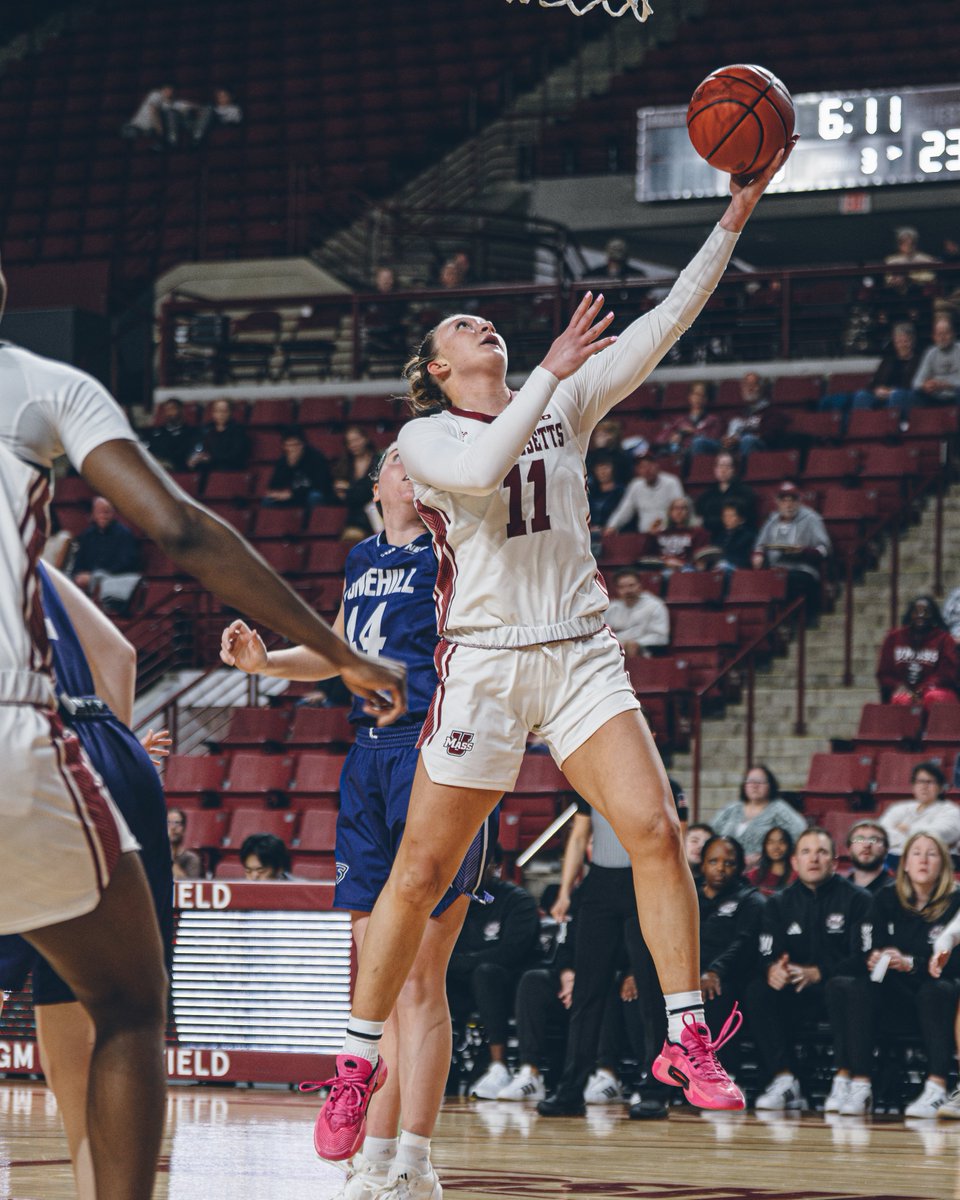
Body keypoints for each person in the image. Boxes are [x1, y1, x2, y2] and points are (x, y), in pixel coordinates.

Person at [312, 149, 795, 1160]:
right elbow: (488, 468)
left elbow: (666, 323)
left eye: (487, 323)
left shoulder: (565, 400)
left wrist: (735, 217)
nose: (482, 325)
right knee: (421, 870)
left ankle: (685, 1037)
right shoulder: (428, 437)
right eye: (461, 328)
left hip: (578, 652)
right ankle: (358, 1061)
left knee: (657, 829)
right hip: (482, 663)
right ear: (443, 367)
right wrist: (549, 371)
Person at [0, 261, 404, 1200]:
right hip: (14, 734)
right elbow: (180, 532)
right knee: (130, 1004)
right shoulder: (45, 386)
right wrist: (336, 652)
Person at [221, 442, 488, 1200]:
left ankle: (414, 1159)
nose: (415, 466)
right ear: (377, 484)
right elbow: (336, 652)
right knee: (372, 975)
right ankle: (374, 1159)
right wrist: (265, 663)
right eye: (401, 459)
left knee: (420, 980)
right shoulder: (359, 558)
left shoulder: (457, 546)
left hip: (436, 753)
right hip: (367, 758)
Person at [0, 561, 173, 1200]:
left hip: (26, 750)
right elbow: (119, 654)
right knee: (120, 1013)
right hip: (108, 755)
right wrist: (98, 759)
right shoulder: (25, 544)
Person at [746, 828, 873, 1112]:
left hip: (841, 992)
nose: (813, 859)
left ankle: (849, 1082)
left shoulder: (858, 899)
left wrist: (820, 972)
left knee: (846, 985)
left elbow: (863, 956)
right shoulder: (779, 903)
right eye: (806, 852)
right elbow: (766, 951)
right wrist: (772, 969)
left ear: (835, 861)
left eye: (821, 852)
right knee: (757, 990)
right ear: (794, 862)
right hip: (796, 990)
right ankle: (785, 1081)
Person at [857, 833, 960, 1117]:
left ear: (944, 864)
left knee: (937, 989)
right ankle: (856, 1083)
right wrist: (876, 957)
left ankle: (937, 1087)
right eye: (916, 853)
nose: (923, 860)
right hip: (895, 991)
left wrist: (911, 962)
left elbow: (954, 961)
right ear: (904, 863)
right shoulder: (886, 897)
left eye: (932, 854)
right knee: (853, 986)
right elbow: (867, 943)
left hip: (939, 993)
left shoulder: (956, 900)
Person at [449, 849, 541, 1100]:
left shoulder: (517, 900)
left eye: (479, 863)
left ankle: (498, 1065)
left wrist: (465, 962)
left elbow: (512, 952)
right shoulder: (457, 902)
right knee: (431, 980)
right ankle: (442, 1064)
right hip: (465, 980)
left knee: (485, 974)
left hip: (509, 983)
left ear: (496, 866)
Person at [697, 836, 765, 1078]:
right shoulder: (687, 895)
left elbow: (743, 943)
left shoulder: (751, 900)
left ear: (739, 867)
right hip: (686, 974)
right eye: (713, 861)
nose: (721, 869)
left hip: (730, 975)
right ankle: (655, 1076)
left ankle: (724, 1075)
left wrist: (715, 970)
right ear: (702, 864)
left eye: (729, 863)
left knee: (717, 991)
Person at [752, 481, 831, 618]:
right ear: (777, 501)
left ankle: (793, 622)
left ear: (799, 501)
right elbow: (760, 545)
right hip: (775, 569)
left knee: (788, 582)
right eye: (784, 500)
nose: (788, 505)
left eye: (792, 500)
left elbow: (824, 549)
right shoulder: (772, 520)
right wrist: (758, 555)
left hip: (802, 568)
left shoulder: (811, 518)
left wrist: (804, 552)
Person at [711, 765, 807, 865]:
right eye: (750, 781)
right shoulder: (732, 808)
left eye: (760, 782)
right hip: (725, 868)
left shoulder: (778, 809)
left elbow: (800, 830)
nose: (754, 785)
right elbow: (711, 831)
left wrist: (767, 855)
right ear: (745, 785)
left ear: (770, 786)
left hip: (760, 871)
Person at [876, 595, 959, 712]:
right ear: (910, 614)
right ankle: (907, 730)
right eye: (916, 611)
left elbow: (946, 674)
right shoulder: (893, 638)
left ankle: (931, 730)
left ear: (933, 615)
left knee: (932, 697)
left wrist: (923, 689)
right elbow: (884, 673)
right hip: (904, 691)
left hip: (936, 692)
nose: (921, 615)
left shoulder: (944, 640)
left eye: (926, 612)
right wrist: (897, 685)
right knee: (901, 699)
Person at [821, 322, 922, 418]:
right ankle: (861, 429)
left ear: (913, 341)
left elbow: (916, 385)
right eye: (899, 341)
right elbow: (874, 382)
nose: (902, 345)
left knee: (896, 396)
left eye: (906, 341)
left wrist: (892, 391)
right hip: (880, 395)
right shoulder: (888, 360)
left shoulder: (918, 361)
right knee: (861, 396)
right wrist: (877, 390)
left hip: (901, 396)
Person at [70, 496, 142, 613]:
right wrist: (77, 575)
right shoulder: (87, 535)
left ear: (113, 513)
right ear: (93, 514)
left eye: (107, 512)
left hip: (114, 578)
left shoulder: (124, 534)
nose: (103, 515)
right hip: (88, 579)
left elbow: (127, 563)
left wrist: (94, 576)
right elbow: (79, 561)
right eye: (99, 512)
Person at [879, 761, 960, 858]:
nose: (924, 786)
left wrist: (907, 829)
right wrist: (917, 834)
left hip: (935, 861)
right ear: (913, 786)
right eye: (920, 781)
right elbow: (881, 834)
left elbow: (938, 835)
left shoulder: (951, 810)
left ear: (940, 788)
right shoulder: (899, 808)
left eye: (930, 782)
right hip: (895, 858)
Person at [603, 449, 684, 535]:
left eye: (649, 465)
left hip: (668, 534)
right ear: (637, 470)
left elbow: (681, 510)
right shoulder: (635, 485)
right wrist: (612, 526)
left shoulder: (671, 482)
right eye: (642, 467)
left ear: (657, 466)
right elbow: (624, 510)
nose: (646, 470)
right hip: (644, 537)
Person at [264, 425, 336, 509]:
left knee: (314, 496)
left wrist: (293, 494)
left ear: (302, 445)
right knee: (268, 501)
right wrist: (289, 466)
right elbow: (273, 486)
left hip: (308, 495)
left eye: (295, 445)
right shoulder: (283, 461)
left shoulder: (316, 457)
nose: (292, 449)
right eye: (288, 445)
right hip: (293, 498)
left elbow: (321, 485)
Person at [694, 451, 757, 543]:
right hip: (711, 536)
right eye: (720, 466)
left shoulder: (745, 492)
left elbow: (741, 519)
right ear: (715, 469)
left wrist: (710, 522)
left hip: (736, 537)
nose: (723, 470)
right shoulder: (707, 494)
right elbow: (699, 517)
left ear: (733, 470)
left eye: (727, 466)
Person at [604, 567, 669, 656]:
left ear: (639, 586)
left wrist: (635, 643)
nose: (628, 591)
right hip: (615, 648)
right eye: (622, 587)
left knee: (631, 647)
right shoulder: (611, 608)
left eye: (631, 585)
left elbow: (661, 637)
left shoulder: (655, 606)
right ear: (617, 590)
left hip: (645, 651)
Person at [722, 372, 786, 458]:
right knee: (701, 442)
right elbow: (726, 433)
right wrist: (726, 439)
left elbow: (770, 436)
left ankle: (743, 470)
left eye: (753, 384)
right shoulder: (736, 411)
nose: (749, 388)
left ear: (761, 388)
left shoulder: (771, 411)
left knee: (748, 440)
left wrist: (739, 440)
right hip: (732, 447)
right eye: (746, 385)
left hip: (758, 449)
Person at [333, 426, 380, 540]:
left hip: (377, 508)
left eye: (356, 440)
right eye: (349, 442)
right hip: (354, 513)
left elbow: (373, 489)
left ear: (366, 439)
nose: (353, 444)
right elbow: (340, 492)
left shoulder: (378, 460)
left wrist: (350, 489)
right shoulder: (344, 464)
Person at [641, 496, 710, 572]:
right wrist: (651, 535)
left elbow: (699, 558)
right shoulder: (660, 533)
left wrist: (681, 564)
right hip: (663, 568)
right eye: (675, 508)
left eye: (683, 508)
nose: (679, 511)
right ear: (669, 512)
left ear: (689, 511)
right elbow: (647, 556)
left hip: (686, 568)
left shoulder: (698, 532)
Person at [654, 382, 722, 458]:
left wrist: (692, 431)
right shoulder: (680, 420)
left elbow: (712, 441)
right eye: (695, 394)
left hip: (699, 456)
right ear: (690, 397)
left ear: (706, 399)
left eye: (702, 395)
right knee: (663, 452)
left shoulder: (713, 420)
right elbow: (659, 439)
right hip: (681, 453)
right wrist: (673, 436)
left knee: (698, 442)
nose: (698, 398)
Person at [187, 397, 250, 475]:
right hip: (209, 469)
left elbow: (235, 456)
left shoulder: (238, 431)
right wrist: (195, 458)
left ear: (230, 412)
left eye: (224, 411)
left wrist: (211, 458)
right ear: (213, 413)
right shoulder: (206, 429)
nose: (221, 414)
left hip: (230, 470)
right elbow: (199, 447)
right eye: (217, 411)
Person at [912, 314, 960, 405]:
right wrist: (925, 385)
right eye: (939, 334)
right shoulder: (930, 353)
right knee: (913, 395)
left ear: (953, 334)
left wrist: (947, 385)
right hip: (935, 396)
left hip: (955, 394)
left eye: (946, 333)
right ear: (934, 337)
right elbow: (916, 383)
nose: (942, 337)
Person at [745, 826, 796, 896]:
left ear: (789, 845)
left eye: (781, 842)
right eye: (771, 842)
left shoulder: (797, 876)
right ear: (764, 846)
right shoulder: (753, 876)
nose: (776, 847)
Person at [845, 822, 894, 894]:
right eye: (859, 839)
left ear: (886, 850)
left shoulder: (898, 891)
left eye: (874, 840)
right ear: (849, 849)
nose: (866, 845)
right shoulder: (838, 891)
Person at [147, 396, 194, 471]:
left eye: (172, 409)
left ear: (181, 410)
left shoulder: (192, 432)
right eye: (167, 410)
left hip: (183, 470)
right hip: (161, 469)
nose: (169, 413)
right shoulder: (157, 433)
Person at [713, 499, 756, 572]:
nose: (728, 519)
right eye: (725, 516)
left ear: (741, 518)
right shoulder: (719, 536)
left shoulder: (748, 537)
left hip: (738, 572)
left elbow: (746, 560)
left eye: (732, 515)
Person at [586, 453, 624, 533]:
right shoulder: (591, 492)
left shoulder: (621, 492)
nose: (602, 472)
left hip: (613, 533)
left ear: (613, 468)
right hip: (591, 534)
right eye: (599, 468)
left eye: (606, 467)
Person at [167, 808, 203, 881]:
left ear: (184, 829)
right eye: (168, 823)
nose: (173, 827)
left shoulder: (192, 859)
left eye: (177, 823)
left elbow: (187, 885)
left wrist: (168, 854)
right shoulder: (155, 857)